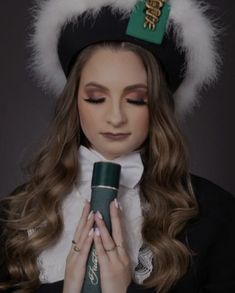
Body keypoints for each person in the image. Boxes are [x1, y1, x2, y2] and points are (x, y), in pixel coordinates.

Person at [0, 0, 235, 292]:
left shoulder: (216, 214)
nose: (115, 118)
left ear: (159, 107)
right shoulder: (20, 211)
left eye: (136, 99)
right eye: (96, 98)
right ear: (73, 103)